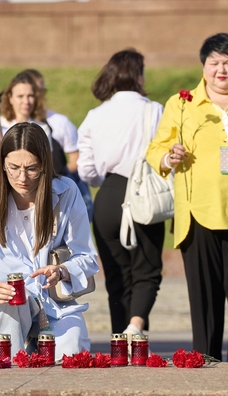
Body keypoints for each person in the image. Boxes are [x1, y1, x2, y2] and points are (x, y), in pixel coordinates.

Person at [145, 32, 228, 362]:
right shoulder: (182, 103)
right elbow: (156, 148)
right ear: (203, 66)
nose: (221, 70)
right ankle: (202, 368)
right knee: (204, 304)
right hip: (197, 215)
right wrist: (168, 157)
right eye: (214, 62)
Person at [0, 122, 98, 359]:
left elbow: (87, 257)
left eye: (32, 169)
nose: (22, 178)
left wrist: (61, 270)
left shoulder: (66, 192)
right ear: (2, 164)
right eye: (13, 168)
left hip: (54, 307)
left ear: (45, 166)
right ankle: (6, 373)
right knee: (13, 306)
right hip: (7, 310)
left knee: (72, 351)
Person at [78, 49, 164, 339]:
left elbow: (86, 170)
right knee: (146, 269)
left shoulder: (94, 114)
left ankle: (119, 340)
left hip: (108, 195)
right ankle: (135, 328)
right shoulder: (155, 110)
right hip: (144, 194)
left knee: (116, 275)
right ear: (138, 75)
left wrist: (104, 177)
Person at [23, 68, 93, 221]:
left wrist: (56, 180)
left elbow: (76, 160)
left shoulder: (59, 122)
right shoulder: (10, 123)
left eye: (42, 91)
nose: (38, 97)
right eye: (34, 92)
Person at [0, 72, 52, 146]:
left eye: (30, 96)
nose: (26, 101)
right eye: (20, 96)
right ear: (10, 98)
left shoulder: (43, 129)